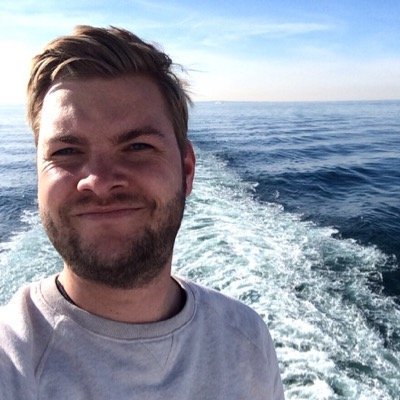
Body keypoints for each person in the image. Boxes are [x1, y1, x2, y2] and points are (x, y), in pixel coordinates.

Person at [0, 26, 285, 399]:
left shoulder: (247, 339)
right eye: (66, 152)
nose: (99, 181)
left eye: (137, 146)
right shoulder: (11, 364)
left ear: (186, 170)